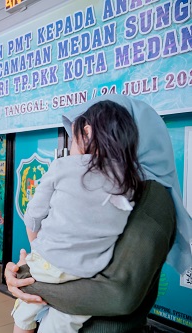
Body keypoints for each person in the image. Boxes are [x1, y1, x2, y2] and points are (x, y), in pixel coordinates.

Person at [5, 94, 189, 332]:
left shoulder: (151, 199)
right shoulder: (105, 182)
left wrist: (29, 282)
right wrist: (25, 274)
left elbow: (118, 295)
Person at [11, 100, 143, 333]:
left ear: (87, 132)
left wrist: (36, 249)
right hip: (88, 277)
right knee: (60, 326)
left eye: (72, 139)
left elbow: (32, 216)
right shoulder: (131, 180)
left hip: (46, 267)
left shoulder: (63, 167)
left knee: (23, 315)